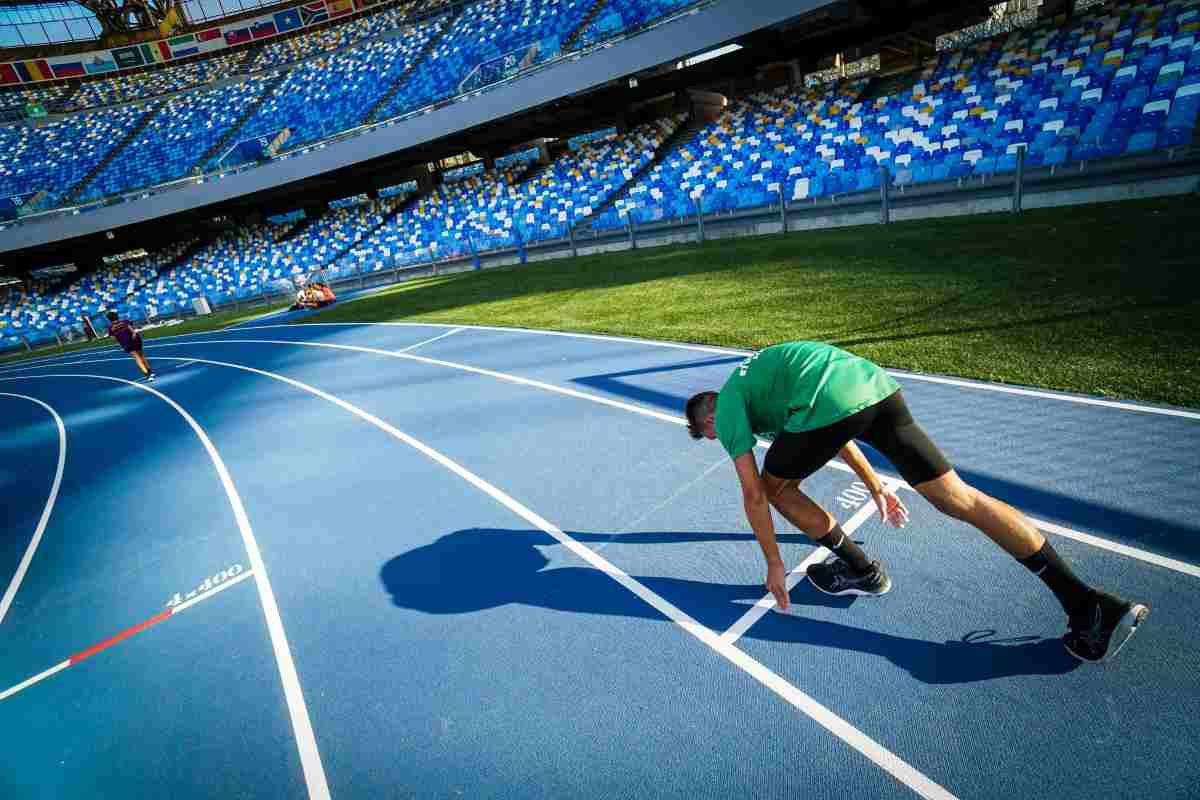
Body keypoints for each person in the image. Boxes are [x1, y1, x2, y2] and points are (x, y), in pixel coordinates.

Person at [685, 341, 1148, 663]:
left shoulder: (727, 409)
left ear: (708, 419)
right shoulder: (759, 384)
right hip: (872, 386)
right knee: (958, 498)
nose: (718, 439)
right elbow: (841, 429)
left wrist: (773, 563)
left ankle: (861, 570)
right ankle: (1088, 604)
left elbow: (753, 494)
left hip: (831, 402)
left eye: (708, 434)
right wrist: (876, 487)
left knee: (774, 487)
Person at [105, 311, 155, 382]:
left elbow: (114, 338)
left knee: (137, 358)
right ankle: (150, 371)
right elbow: (133, 331)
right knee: (142, 355)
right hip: (135, 340)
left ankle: (147, 374)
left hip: (126, 343)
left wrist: (119, 341)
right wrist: (134, 335)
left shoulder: (110, 328)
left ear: (109, 319)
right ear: (117, 316)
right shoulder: (125, 321)